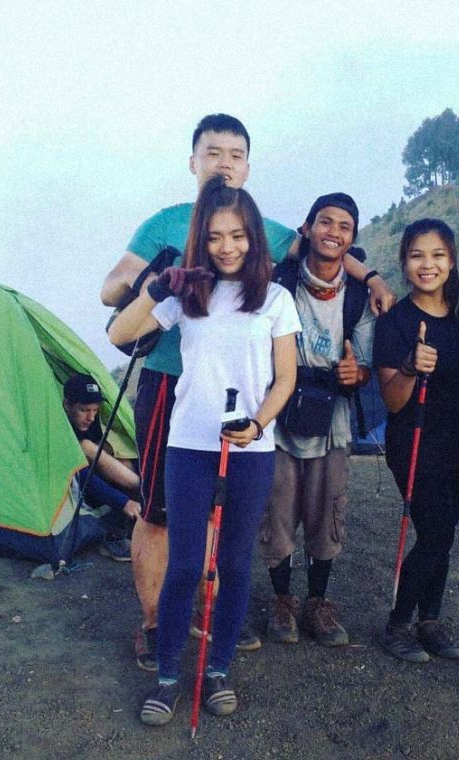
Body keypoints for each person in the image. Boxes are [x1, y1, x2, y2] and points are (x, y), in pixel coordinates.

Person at [100, 114, 395, 671]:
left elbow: (323, 244)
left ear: (248, 167)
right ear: (193, 162)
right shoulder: (166, 223)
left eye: (236, 154)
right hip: (170, 382)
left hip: (237, 394)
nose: (225, 163)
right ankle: (155, 622)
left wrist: (374, 278)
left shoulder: (256, 224)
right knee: (161, 511)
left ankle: (204, 614)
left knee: (222, 518)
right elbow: (110, 291)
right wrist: (154, 283)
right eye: (214, 153)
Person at [109, 177, 301, 726]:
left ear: (254, 237)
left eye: (238, 235)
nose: (227, 247)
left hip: (251, 448)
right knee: (187, 564)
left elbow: (284, 378)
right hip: (187, 445)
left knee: (235, 562)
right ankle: (169, 676)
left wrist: (258, 422)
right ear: (201, 238)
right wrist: (156, 288)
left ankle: (217, 670)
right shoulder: (188, 294)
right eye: (215, 236)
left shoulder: (276, 299)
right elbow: (121, 336)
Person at [259, 193, 374, 648]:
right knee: (278, 507)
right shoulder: (277, 281)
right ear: (305, 229)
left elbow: (364, 360)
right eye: (325, 222)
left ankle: (318, 601)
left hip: (333, 418)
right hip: (280, 414)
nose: (333, 232)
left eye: (344, 226)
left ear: (352, 238)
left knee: (328, 509)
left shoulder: (360, 296)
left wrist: (357, 372)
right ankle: (283, 599)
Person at [373, 218, 459, 662]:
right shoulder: (395, 322)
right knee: (435, 534)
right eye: (417, 255)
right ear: (404, 263)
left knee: (446, 533)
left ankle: (430, 619)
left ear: (452, 261)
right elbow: (393, 402)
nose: (427, 264)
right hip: (414, 443)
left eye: (437, 255)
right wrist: (412, 368)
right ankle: (398, 623)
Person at [63, 374, 141, 561]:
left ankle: (145, 495)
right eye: (84, 410)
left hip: (93, 482)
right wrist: (123, 502)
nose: (91, 417)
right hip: (71, 489)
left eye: (95, 410)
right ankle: (145, 494)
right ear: (67, 405)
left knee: (120, 457)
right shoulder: (59, 430)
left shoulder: (91, 423)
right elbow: (80, 475)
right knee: (87, 447)